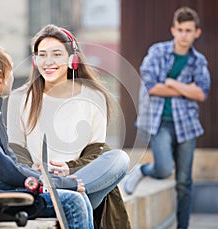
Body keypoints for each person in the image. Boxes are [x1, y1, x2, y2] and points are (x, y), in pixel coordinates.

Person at [0, 40, 94, 229]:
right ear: (1, 76)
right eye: (10, 71)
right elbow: (7, 172)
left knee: (80, 197)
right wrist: (62, 183)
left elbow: (10, 164)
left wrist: (46, 176)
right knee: (73, 202)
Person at [7, 24, 131, 228]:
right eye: (42, 55)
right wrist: (33, 170)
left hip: (81, 179)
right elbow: (16, 148)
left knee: (120, 159)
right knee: (81, 203)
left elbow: (96, 151)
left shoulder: (93, 96)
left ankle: (63, 191)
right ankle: (60, 193)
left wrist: (68, 170)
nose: (48, 62)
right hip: (39, 181)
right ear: (34, 60)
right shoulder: (19, 97)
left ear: (73, 60)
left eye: (56, 54)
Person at [123, 6, 211, 229]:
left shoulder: (198, 61)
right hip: (159, 122)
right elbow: (151, 85)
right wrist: (185, 88)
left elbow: (201, 92)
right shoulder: (157, 52)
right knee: (163, 169)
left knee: (184, 182)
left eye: (188, 30)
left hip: (187, 125)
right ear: (173, 30)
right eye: (180, 29)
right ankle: (143, 170)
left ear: (196, 33)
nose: (184, 35)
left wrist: (171, 83)